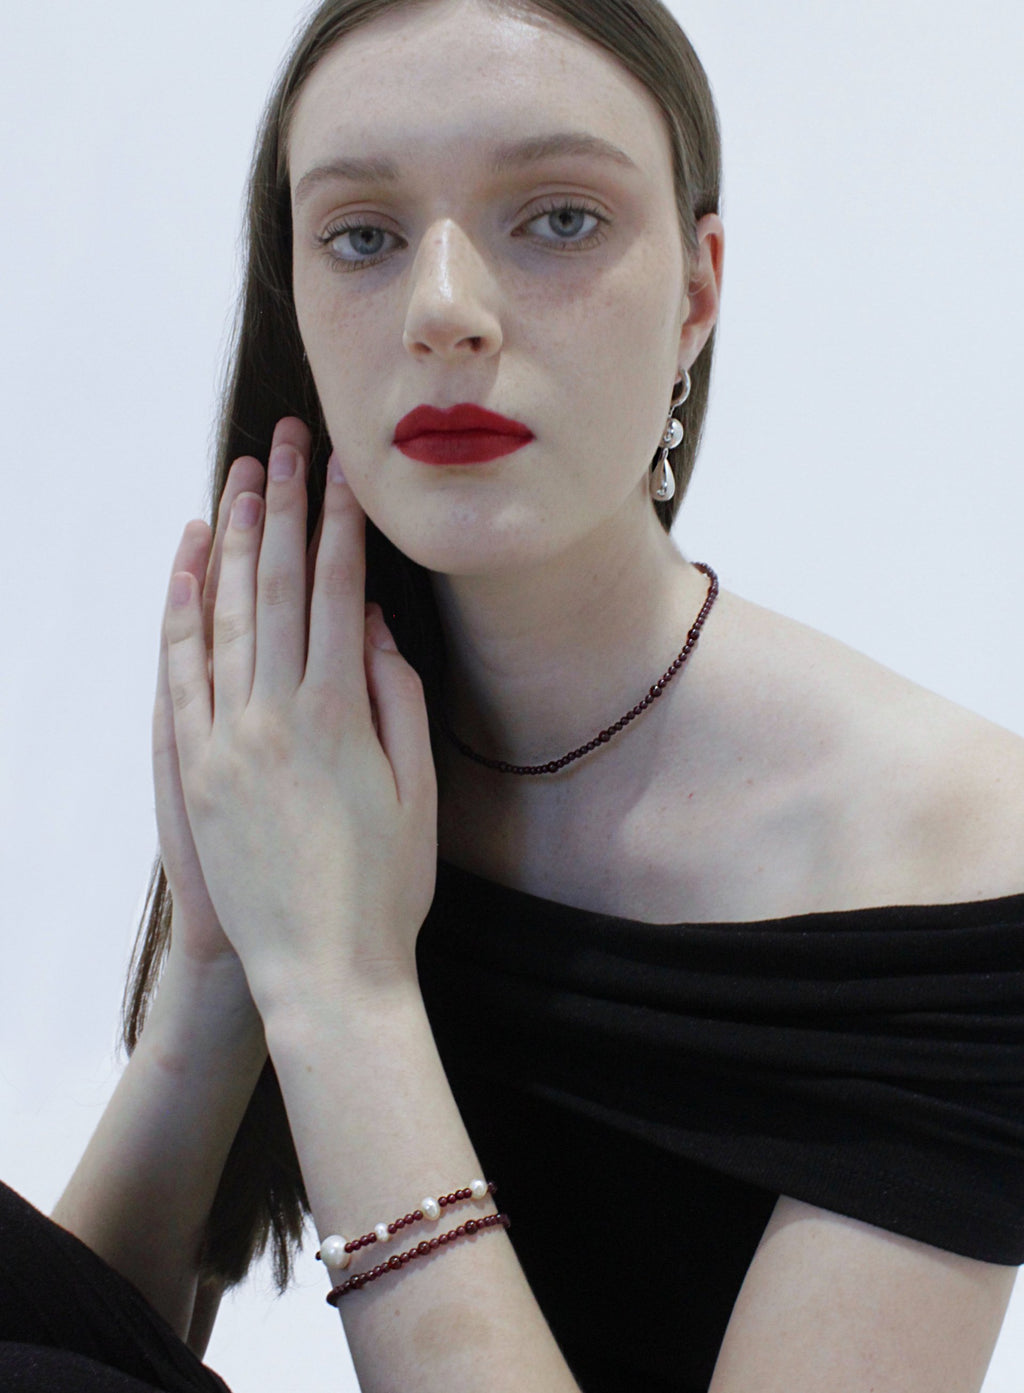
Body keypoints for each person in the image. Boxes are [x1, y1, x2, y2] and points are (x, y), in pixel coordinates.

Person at [2, 0, 1022, 1389]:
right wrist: (223, 970)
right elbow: (74, 1333)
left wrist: (345, 993)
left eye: (559, 220)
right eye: (362, 236)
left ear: (697, 294)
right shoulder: (312, 727)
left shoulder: (960, 850)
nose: (443, 310)